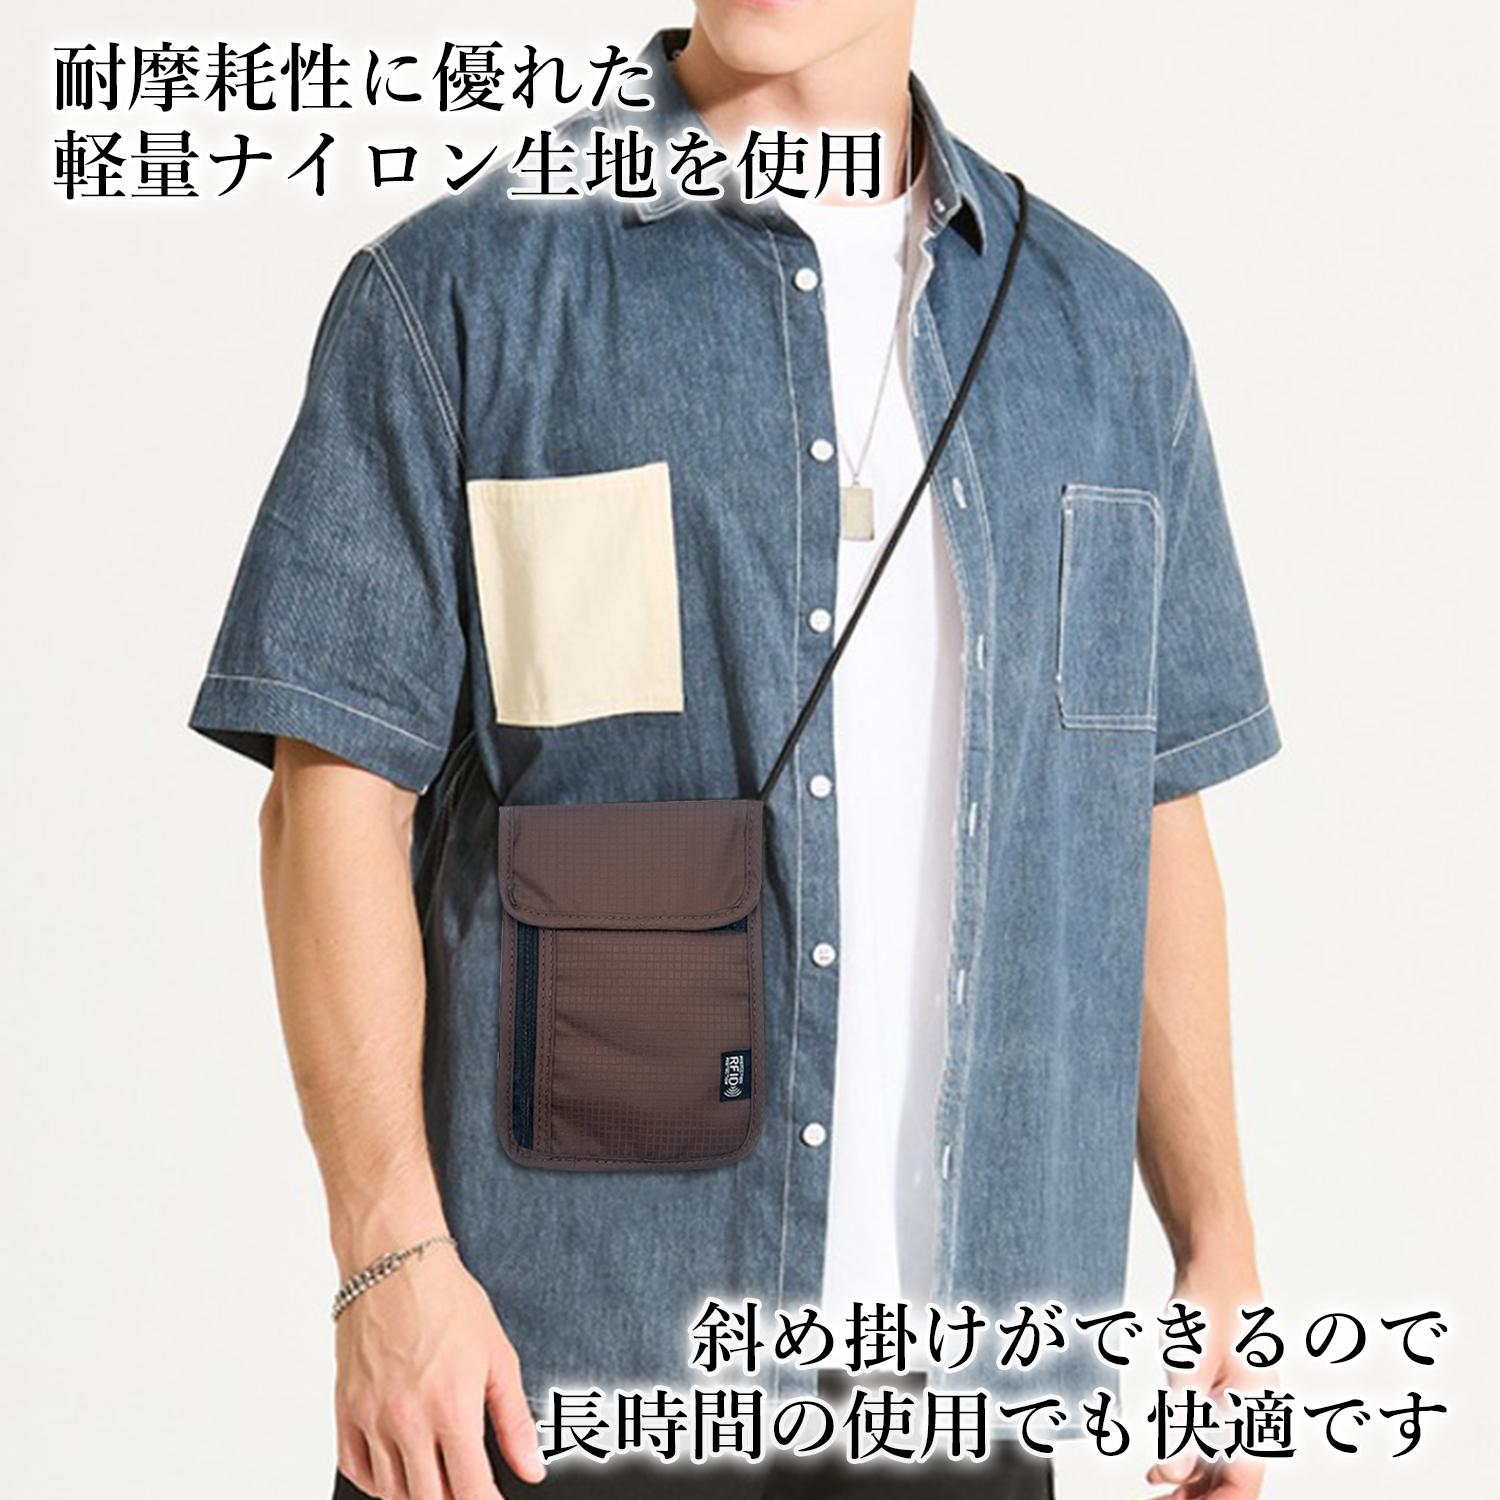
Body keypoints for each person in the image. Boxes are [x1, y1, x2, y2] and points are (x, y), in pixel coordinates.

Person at [189, 4, 1280, 1497]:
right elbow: (332, 794)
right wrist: (388, 1263)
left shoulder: (1106, 336)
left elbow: (1141, 817)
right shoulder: (466, 289)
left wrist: (1219, 1247)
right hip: (547, 1387)